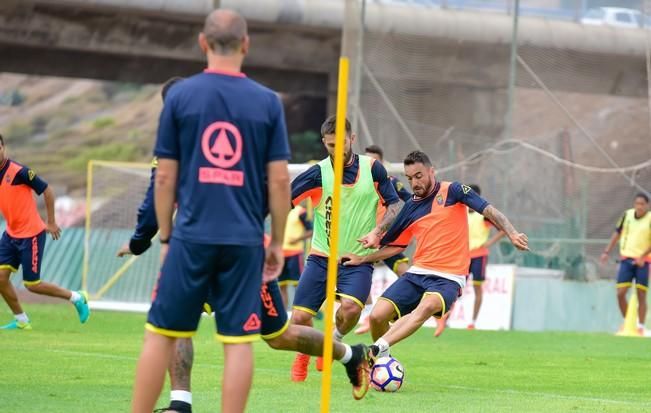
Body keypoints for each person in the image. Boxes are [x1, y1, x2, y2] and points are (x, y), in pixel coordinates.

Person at [131, 11, 368, 413]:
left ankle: (350, 354)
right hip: (245, 244)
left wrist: (165, 239)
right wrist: (274, 243)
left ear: (203, 44)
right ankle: (179, 403)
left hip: (192, 238)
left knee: (173, 332)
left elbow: (164, 179)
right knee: (237, 341)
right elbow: (278, 183)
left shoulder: (180, 99)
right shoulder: (265, 102)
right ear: (246, 45)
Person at [342, 151, 529, 359]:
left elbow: (489, 210)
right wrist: (363, 258)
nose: (414, 182)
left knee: (425, 308)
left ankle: (374, 351)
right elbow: (396, 246)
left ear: (432, 171)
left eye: (419, 175)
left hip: (449, 277)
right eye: (410, 178)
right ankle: (383, 363)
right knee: (377, 315)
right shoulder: (411, 207)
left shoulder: (454, 191)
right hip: (417, 273)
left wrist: (512, 232)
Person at [289, 116, 403, 381]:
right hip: (321, 258)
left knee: (351, 311)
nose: (336, 150)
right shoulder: (317, 173)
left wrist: (378, 231)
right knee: (298, 319)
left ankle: (331, 342)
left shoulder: (373, 168)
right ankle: (305, 353)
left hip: (358, 261)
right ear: (324, 143)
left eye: (340, 143)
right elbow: (285, 200)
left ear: (352, 139)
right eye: (330, 145)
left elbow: (396, 205)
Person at [0, 133, 90, 330]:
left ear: (3, 147)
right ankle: (22, 321)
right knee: (0, 278)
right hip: (10, 234)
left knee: (32, 285)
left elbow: (47, 190)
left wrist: (51, 222)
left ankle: (77, 298)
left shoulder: (19, 172)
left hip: (31, 234)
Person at [354, 145, 411, 335]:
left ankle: (416, 308)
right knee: (360, 276)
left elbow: (409, 200)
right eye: (368, 160)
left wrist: (404, 223)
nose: (371, 164)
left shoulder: (390, 182)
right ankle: (368, 316)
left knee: (406, 274)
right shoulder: (356, 183)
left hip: (385, 237)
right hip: (364, 237)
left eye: (375, 161)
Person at [600, 193, 651, 335]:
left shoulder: (649, 219)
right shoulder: (627, 216)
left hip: (643, 261)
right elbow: (617, 233)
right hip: (626, 259)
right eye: (637, 203)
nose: (639, 206)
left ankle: (640, 327)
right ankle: (630, 322)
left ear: (647, 205)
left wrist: (642, 257)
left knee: (641, 294)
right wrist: (606, 251)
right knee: (620, 293)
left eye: (642, 204)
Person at [465, 184, 505, 330]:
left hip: (479, 255)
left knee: (477, 288)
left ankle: (473, 322)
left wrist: (488, 243)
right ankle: (445, 318)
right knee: (455, 287)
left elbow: (502, 230)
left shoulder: (483, 215)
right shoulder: (460, 212)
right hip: (462, 256)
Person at [278, 204, 312, 308]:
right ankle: (284, 316)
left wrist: (296, 239)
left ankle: (299, 311)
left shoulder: (301, 211)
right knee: (281, 286)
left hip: (295, 253)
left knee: (298, 285)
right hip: (280, 253)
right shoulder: (280, 210)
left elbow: (310, 231)